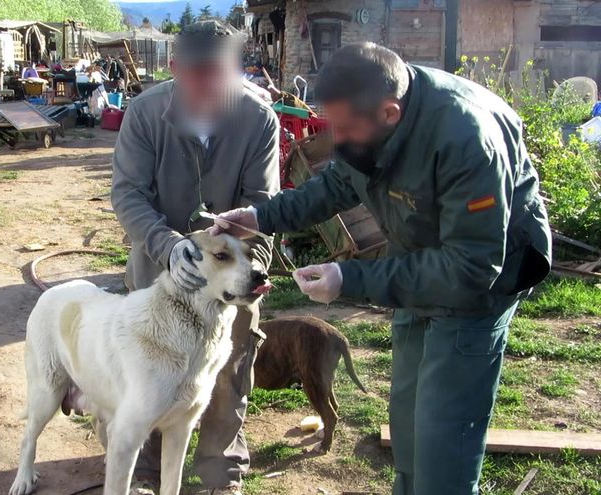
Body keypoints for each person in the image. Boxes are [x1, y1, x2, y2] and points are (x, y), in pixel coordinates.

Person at [211, 42, 552, 495]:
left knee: (444, 438)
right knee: (409, 422)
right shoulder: (368, 118)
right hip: (418, 269)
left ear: (390, 114)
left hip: (477, 288)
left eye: (346, 129)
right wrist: (261, 217)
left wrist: (349, 278)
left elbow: (471, 267)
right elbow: (336, 183)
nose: (339, 138)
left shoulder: (466, 141)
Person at [111, 20, 280, 495]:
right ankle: (147, 465)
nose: (207, 85)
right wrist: (168, 247)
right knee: (147, 372)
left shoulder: (259, 119)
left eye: (219, 73)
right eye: (196, 74)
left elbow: (263, 203)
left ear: (237, 69)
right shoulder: (144, 114)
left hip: (232, 276)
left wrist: (246, 262)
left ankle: (218, 469)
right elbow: (128, 195)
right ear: (172, 68)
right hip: (156, 272)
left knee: (226, 371)